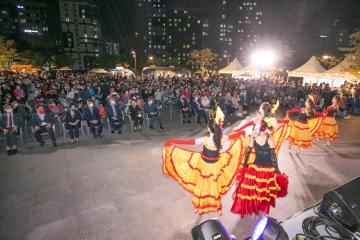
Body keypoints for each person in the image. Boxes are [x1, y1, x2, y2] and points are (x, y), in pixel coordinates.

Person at [163, 107, 246, 214]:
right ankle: (214, 202)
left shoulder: (205, 140)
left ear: (208, 129)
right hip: (215, 165)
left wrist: (172, 141)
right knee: (213, 183)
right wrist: (242, 132)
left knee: (202, 183)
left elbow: (189, 142)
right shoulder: (222, 138)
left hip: (204, 164)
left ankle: (201, 204)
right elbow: (235, 135)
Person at [231, 102, 288, 218]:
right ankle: (261, 208)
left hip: (255, 164)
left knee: (253, 189)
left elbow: (248, 152)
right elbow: (273, 155)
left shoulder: (256, 135)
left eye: (261, 107)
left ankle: (254, 207)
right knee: (264, 191)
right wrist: (277, 169)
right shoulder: (269, 137)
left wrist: (245, 166)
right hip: (267, 168)